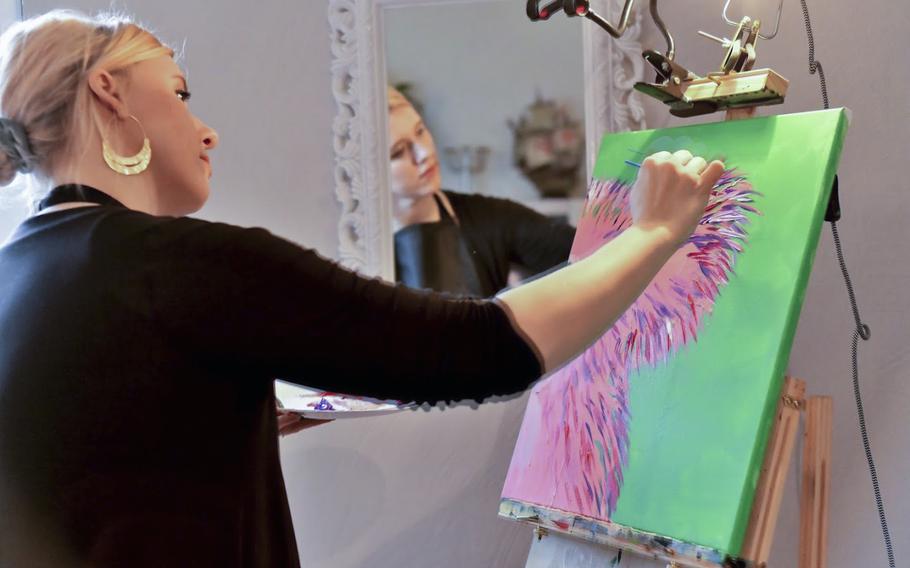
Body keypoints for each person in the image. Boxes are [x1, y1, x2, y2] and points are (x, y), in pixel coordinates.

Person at [0, 11, 725, 568]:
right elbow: (481, 348)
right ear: (109, 92)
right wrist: (653, 235)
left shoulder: (18, 276)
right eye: (180, 94)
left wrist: (235, 402)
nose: (206, 130)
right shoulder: (181, 263)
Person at [388, 86, 576, 297]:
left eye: (420, 131)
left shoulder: (489, 217)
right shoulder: (359, 251)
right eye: (398, 152)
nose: (423, 153)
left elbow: (587, 253)